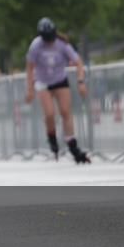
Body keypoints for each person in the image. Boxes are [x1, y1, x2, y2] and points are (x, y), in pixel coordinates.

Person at [25, 17, 90, 164]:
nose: (49, 42)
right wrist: (29, 89)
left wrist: (81, 82)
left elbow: (78, 62)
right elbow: (29, 68)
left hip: (60, 80)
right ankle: (52, 137)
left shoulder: (62, 44)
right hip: (42, 82)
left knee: (66, 112)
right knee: (49, 114)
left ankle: (72, 145)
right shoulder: (36, 45)